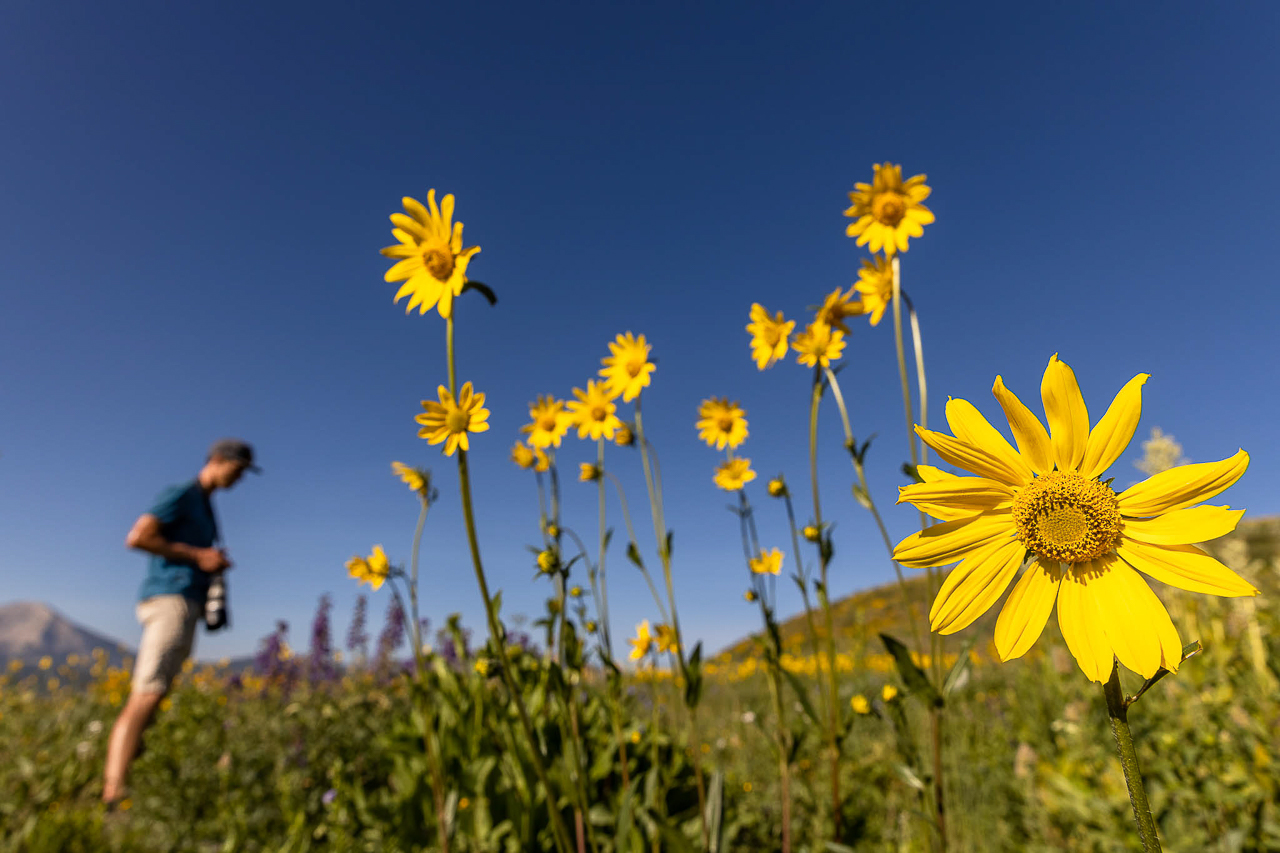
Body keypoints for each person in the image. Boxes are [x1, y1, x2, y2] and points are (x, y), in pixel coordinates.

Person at [102, 438, 260, 806]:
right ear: (219, 461)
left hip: (185, 601)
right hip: (169, 599)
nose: (239, 480)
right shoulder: (182, 493)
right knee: (148, 692)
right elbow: (139, 537)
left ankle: (127, 784)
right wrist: (199, 556)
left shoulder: (202, 504)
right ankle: (114, 793)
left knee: (155, 695)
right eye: (237, 471)